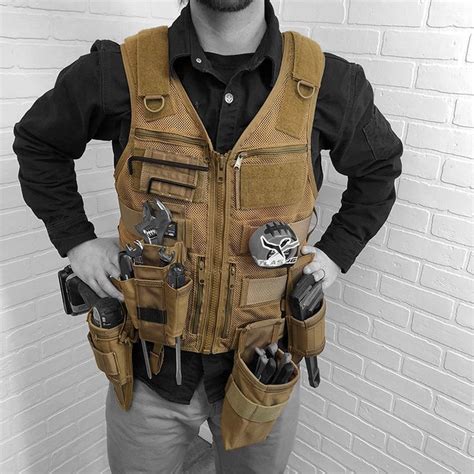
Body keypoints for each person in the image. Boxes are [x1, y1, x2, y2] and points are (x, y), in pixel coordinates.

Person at [12, 0, 403, 472]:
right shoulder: (120, 71)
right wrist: (77, 241)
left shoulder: (327, 83)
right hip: (149, 370)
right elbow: (38, 142)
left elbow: (379, 169)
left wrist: (336, 255)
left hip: (263, 370)